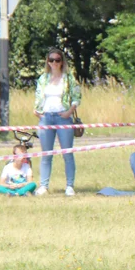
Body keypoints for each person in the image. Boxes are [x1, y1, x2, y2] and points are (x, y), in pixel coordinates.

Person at [33, 48, 81, 196]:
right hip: (46, 117)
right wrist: (37, 111)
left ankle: (69, 186)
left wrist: (69, 112)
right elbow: (39, 96)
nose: (54, 62)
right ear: (48, 61)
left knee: (67, 153)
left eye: (57, 60)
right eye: (51, 60)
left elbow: (76, 97)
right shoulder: (43, 78)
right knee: (46, 154)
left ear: (62, 62)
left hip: (63, 117)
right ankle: (44, 186)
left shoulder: (68, 78)